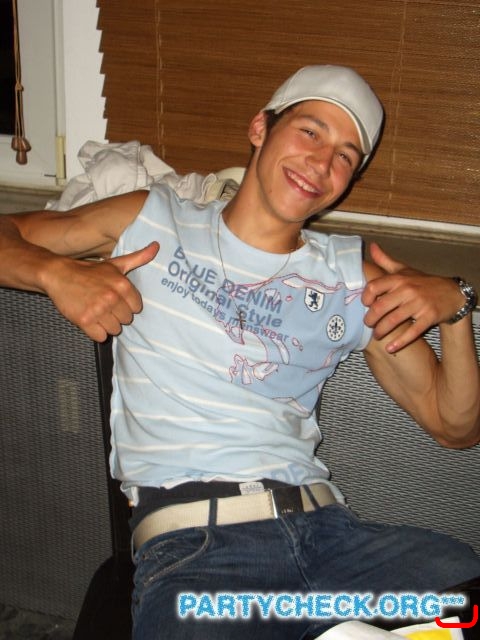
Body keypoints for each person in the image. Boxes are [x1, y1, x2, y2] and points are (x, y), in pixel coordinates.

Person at [1, 65, 479, 639]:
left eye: (345, 157)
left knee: (465, 596)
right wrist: (56, 274)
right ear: (260, 128)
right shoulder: (153, 219)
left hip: (334, 541)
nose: (321, 163)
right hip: (199, 556)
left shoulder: (351, 277)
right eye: (310, 132)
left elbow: (455, 426)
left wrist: (457, 308)